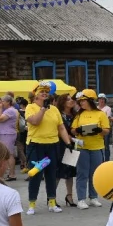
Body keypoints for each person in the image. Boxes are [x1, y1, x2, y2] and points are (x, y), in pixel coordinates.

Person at [25, 82, 73, 215]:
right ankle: (32, 203)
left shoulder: (55, 109)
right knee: (35, 173)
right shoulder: (31, 107)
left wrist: (67, 142)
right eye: (42, 92)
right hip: (36, 145)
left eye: (46, 92)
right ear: (36, 95)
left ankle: (52, 202)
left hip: (52, 145)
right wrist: (43, 109)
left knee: (52, 174)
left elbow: (61, 127)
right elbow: (35, 121)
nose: (45, 93)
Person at [71, 89, 110, 210]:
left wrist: (99, 130)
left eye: (83, 100)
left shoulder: (101, 114)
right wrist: (78, 130)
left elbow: (107, 130)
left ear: (90, 101)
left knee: (94, 174)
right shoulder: (78, 114)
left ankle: (93, 197)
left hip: (97, 147)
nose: (81, 103)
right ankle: (81, 199)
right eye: (80, 101)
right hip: (82, 147)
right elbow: (72, 129)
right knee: (82, 173)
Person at [55, 94, 78, 206]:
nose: (71, 101)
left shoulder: (75, 114)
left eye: (71, 99)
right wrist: (71, 139)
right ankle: (52, 197)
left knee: (69, 171)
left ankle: (69, 196)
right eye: (68, 99)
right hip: (61, 145)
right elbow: (60, 130)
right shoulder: (59, 114)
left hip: (72, 145)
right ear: (63, 102)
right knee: (58, 171)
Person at [0, 95, 20, 181]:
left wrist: (0, 109)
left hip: (7, 134)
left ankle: (12, 174)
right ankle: (10, 173)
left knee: (9, 154)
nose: (1, 103)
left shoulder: (10, 111)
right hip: (6, 133)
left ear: (8, 102)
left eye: (3, 101)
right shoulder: (10, 110)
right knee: (8, 154)